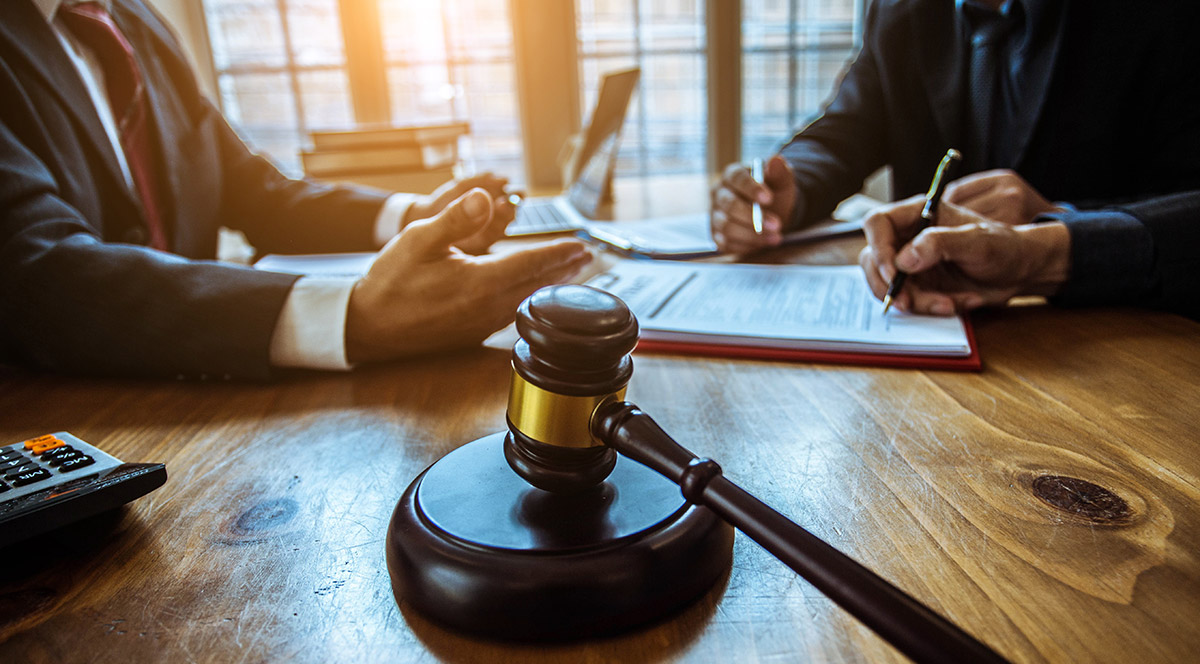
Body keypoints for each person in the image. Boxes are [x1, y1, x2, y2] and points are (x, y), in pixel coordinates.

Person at [0, 0, 590, 380]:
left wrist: (415, 213)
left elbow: (255, 192)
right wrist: (351, 316)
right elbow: (37, 274)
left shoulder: (136, 22)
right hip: (73, 429)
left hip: (205, 402)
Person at [711, 0, 1200, 255]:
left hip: (1111, 348)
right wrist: (790, 186)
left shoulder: (1160, 17)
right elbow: (849, 128)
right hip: (928, 332)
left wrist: (1059, 225)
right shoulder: (904, 11)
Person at [857, 172, 1200, 320]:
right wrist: (803, 182)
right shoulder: (900, 20)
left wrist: (1056, 227)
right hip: (974, 299)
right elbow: (841, 128)